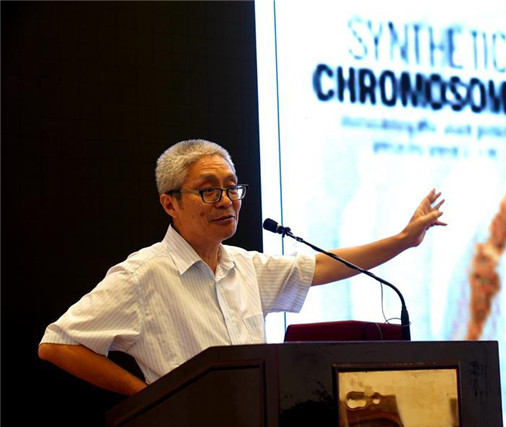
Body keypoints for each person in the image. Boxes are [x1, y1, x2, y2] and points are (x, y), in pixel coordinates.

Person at [38, 139, 447, 397]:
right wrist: (146, 395)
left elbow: (324, 267)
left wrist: (403, 240)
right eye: (208, 190)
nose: (226, 200)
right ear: (170, 203)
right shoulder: (142, 274)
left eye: (232, 187)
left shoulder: (246, 267)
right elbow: (58, 344)